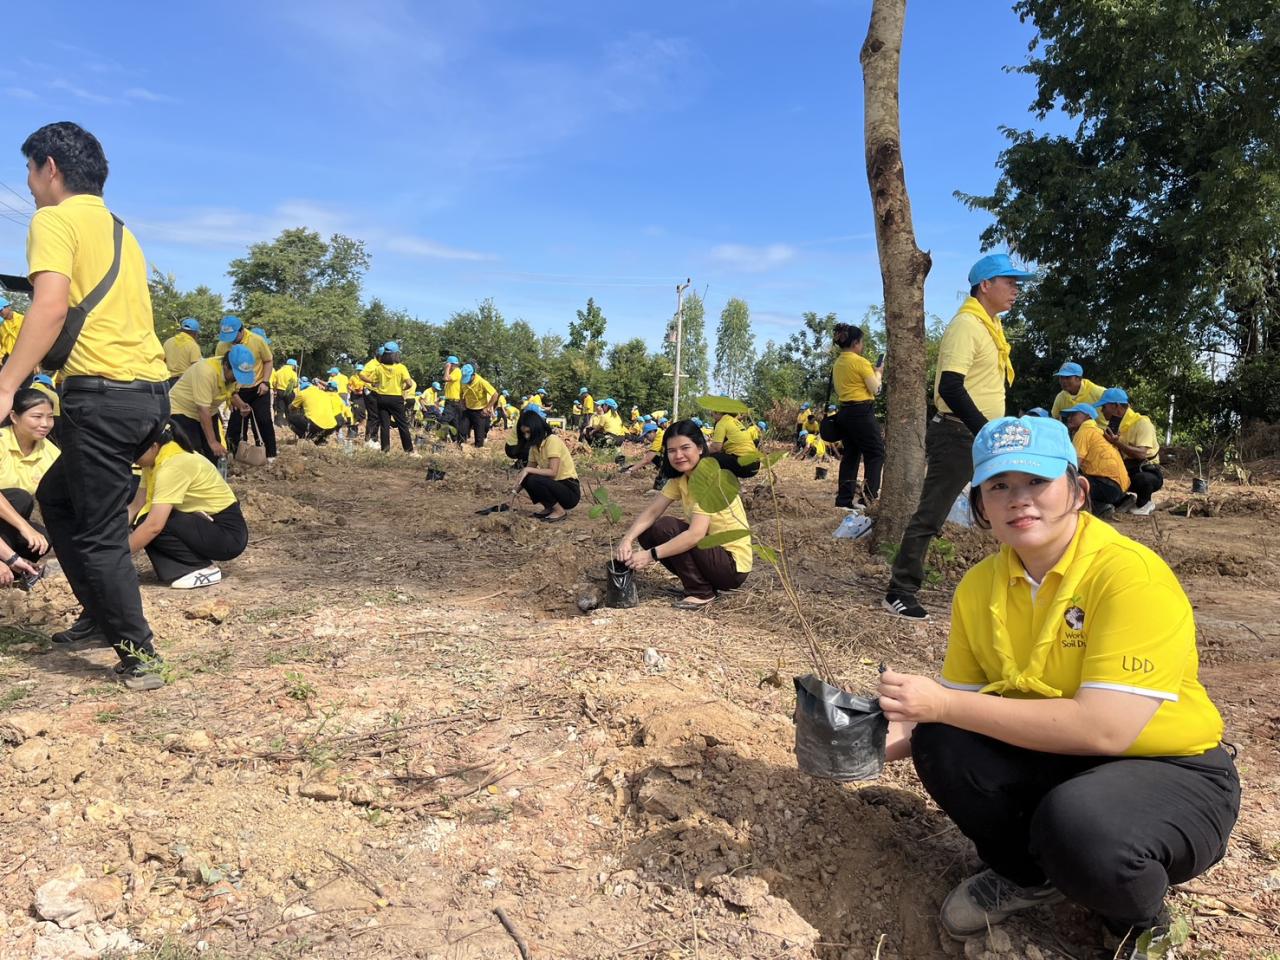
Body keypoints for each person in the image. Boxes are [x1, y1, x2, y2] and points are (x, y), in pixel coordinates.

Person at [877, 415, 1238, 958]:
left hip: (1170, 767)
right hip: (1057, 753)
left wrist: (942, 705)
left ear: (1079, 491)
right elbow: (951, 709)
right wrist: (868, 742)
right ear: (980, 506)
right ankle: (1027, 877)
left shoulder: (1127, 577)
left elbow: (1106, 729)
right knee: (940, 740)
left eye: (1037, 481)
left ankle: (1137, 921)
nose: (1019, 499)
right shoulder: (980, 586)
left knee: (1080, 825)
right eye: (999, 485)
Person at [2, 122, 171, 689]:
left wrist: (6, 385)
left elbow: (49, 308)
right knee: (58, 498)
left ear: (49, 167)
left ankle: (139, 654)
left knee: (99, 532)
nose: (29, 185)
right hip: (147, 396)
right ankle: (101, 616)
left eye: (29, 171)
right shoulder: (121, 230)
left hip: (103, 396)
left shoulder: (55, 219)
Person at [884, 253, 1033, 621]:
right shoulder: (967, 325)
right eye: (1010, 282)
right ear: (985, 285)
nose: (1016, 290)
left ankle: (1016, 585)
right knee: (932, 513)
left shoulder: (991, 327)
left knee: (1010, 509)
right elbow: (950, 386)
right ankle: (900, 590)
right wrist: (984, 427)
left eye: (1017, 284)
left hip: (983, 436)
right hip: (958, 434)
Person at [615, 419, 752, 608]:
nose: (678, 455)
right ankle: (698, 583)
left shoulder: (709, 479)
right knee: (648, 532)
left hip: (731, 566)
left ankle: (701, 592)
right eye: (672, 450)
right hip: (711, 556)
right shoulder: (681, 479)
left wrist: (650, 555)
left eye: (685, 448)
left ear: (700, 448)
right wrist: (627, 539)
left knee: (666, 527)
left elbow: (696, 534)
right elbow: (652, 511)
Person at [128, 422, 248, 590]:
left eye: (135, 453)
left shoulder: (174, 465)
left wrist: (116, 555)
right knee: (142, 519)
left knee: (149, 522)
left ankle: (199, 568)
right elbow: (135, 506)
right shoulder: (155, 462)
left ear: (153, 446)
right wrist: (110, 538)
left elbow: (154, 526)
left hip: (227, 534)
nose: (133, 460)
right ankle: (183, 568)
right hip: (205, 523)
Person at [0, 388, 58, 570]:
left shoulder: (52, 453)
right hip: (11, 516)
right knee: (19, 498)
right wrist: (25, 527)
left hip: (5, 527)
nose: (45, 424)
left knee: (42, 539)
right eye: (37, 417)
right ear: (14, 417)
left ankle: (14, 568)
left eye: (50, 417)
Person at [169, 347, 256, 463]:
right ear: (226, 365)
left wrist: (241, 405)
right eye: (236, 375)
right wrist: (212, 442)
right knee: (192, 450)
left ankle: (213, 471)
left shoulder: (231, 376)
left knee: (214, 454)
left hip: (209, 411)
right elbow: (202, 409)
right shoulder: (206, 371)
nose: (237, 379)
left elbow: (230, 391)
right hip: (183, 410)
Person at [832, 323, 885, 508]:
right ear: (855, 343)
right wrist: (878, 373)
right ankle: (868, 499)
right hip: (861, 412)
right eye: (861, 342)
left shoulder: (838, 363)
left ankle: (844, 500)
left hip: (844, 412)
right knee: (876, 453)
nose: (862, 346)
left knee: (851, 455)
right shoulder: (860, 362)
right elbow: (876, 389)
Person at [215, 315, 276, 463]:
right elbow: (221, 369)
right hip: (236, 390)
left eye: (233, 336)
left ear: (241, 330)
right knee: (235, 422)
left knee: (263, 420)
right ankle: (232, 453)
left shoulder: (257, 341)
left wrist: (265, 382)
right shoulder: (222, 346)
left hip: (258, 388)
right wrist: (231, 397)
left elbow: (268, 360)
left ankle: (270, 454)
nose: (230, 340)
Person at [1098, 388, 1162, 515]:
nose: (1102, 411)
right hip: (1127, 468)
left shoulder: (1142, 423)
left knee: (1143, 479)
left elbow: (1141, 454)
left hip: (1146, 470)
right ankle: (1125, 500)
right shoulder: (1115, 425)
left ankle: (1145, 503)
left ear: (1116, 406)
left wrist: (1116, 442)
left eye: (1104, 407)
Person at [509, 409, 580, 521]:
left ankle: (559, 511)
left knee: (533, 478)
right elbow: (526, 475)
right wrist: (512, 495)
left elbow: (553, 472)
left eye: (528, 432)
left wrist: (527, 470)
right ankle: (549, 507)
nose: (526, 436)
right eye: (524, 433)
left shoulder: (552, 440)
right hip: (554, 487)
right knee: (528, 478)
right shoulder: (534, 447)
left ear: (536, 428)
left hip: (569, 490)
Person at [1062, 403, 1132, 517]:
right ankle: (1115, 503)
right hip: (1119, 489)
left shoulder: (1085, 430)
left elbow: (1073, 466)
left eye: (1073, 414)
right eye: (1068, 416)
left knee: (1067, 481)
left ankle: (1099, 507)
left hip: (1107, 487)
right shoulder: (1098, 431)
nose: (1069, 418)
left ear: (1087, 416)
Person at [371, 341, 415, 454]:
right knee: (402, 425)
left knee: (384, 425)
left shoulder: (379, 368)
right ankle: (409, 451)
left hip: (381, 398)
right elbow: (409, 383)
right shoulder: (401, 367)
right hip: (396, 398)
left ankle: (385, 450)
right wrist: (403, 388)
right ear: (396, 354)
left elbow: (373, 383)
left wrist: (382, 385)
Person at [706, 409, 760, 478]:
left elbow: (716, 448)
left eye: (712, 413)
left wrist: (702, 449)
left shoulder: (722, 423)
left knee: (709, 457)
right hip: (755, 464)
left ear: (718, 412)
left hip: (745, 465)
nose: (712, 416)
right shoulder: (734, 421)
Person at [288, 377, 341, 444]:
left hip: (316, 426)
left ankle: (306, 438)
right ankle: (320, 441)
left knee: (291, 418)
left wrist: (298, 405)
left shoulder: (303, 393)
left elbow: (291, 407)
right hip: (331, 427)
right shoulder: (323, 393)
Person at [458, 363, 497, 448]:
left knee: (479, 437)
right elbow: (461, 393)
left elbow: (495, 394)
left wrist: (487, 408)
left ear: (473, 374)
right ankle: (460, 447)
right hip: (467, 409)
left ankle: (478, 450)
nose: (467, 381)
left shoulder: (481, 382)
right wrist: (462, 403)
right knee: (462, 430)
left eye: (468, 378)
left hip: (479, 411)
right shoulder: (463, 381)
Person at [162, 317, 202, 383]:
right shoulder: (193, 346)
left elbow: (162, 361)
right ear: (195, 333)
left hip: (168, 381)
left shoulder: (168, 342)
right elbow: (196, 367)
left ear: (181, 330)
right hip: (184, 382)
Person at [270, 358, 299, 425]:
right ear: (292, 365)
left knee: (280, 408)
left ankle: (279, 423)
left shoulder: (278, 372)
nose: (295, 367)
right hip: (289, 391)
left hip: (280, 391)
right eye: (295, 366)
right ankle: (289, 423)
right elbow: (294, 384)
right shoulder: (293, 373)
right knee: (289, 408)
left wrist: (276, 388)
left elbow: (274, 383)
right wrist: (296, 385)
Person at [442, 355, 463, 438]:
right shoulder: (454, 372)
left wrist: (447, 368)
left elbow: (445, 378)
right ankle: (456, 439)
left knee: (443, 420)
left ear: (451, 364)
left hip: (452, 402)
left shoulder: (457, 371)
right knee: (453, 422)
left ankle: (443, 438)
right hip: (452, 401)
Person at [0, 296, 26, 365]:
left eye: (0, 310)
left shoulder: (23, 320)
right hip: (7, 359)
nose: (0, 313)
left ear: (8, 307)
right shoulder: (1, 326)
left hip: (24, 357)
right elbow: (2, 344)